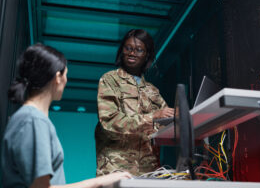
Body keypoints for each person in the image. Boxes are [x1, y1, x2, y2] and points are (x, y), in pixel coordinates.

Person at [1, 43, 131, 188]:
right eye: (66, 75)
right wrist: (100, 182)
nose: (66, 81)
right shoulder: (33, 121)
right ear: (58, 77)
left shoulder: (29, 119)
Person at [95, 29, 174, 176]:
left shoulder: (153, 91)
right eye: (128, 48)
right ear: (122, 50)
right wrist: (152, 117)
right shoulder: (110, 80)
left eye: (139, 50)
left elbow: (166, 121)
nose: (132, 53)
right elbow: (109, 121)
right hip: (116, 169)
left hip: (148, 171)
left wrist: (179, 117)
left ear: (147, 56)